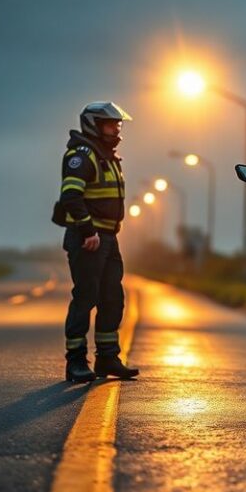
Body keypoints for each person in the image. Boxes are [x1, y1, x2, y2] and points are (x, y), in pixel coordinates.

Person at [54, 101, 140, 382]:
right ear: (93, 124)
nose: (115, 128)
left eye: (117, 124)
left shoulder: (108, 157)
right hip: (87, 239)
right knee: (85, 298)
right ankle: (76, 362)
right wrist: (88, 231)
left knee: (112, 298)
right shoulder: (82, 155)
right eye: (109, 124)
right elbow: (71, 196)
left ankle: (107, 358)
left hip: (108, 238)